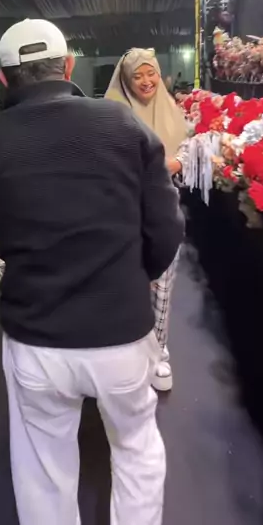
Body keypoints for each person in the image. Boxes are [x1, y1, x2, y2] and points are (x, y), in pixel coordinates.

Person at [0, 18, 184, 525]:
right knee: (137, 447)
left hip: (36, 338)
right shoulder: (123, 125)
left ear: (4, 77)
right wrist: (129, 280)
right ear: (69, 66)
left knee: (43, 465)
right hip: (121, 331)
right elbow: (167, 229)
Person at [105, 48, 188, 392]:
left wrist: (179, 162)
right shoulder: (112, 115)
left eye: (150, 73)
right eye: (136, 76)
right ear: (125, 80)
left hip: (164, 212)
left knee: (164, 282)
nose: (145, 81)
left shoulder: (170, 109)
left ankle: (159, 349)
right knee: (128, 283)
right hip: (124, 214)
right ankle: (125, 350)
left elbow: (186, 148)